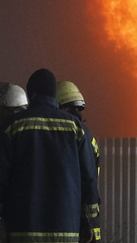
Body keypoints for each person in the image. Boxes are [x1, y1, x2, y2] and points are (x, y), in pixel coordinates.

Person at [0, 69, 100, 243]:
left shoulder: (12, 127)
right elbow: (89, 180)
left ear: (31, 93)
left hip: (22, 232)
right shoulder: (77, 129)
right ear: (54, 94)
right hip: (67, 233)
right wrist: (89, 223)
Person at [56, 80, 102, 242]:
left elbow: (87, 179)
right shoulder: (86, 135)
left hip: (75, 216)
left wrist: (87, 221)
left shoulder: (72, 136)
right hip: (85, 214)